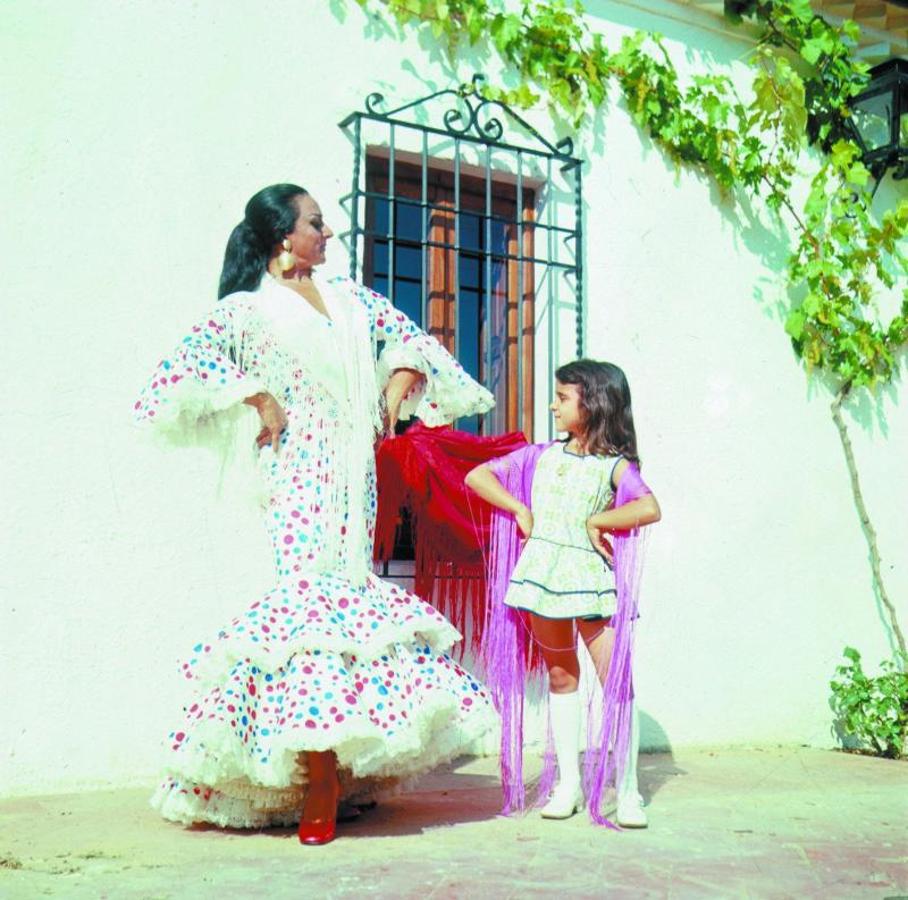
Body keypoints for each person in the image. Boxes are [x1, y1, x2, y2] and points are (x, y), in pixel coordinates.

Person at [134, 183, 497, 844]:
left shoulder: (352, 298)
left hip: (353, 476)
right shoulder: (248, 311)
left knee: (351, 604)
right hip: (297, 472)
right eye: (316, 224)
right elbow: (180, 370)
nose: (328, 234)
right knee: (309, 611)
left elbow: (411, 341)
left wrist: (397, 381)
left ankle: (339, 770)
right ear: (282, 239)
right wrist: (255, 394)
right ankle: (318, 778)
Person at [465, 359, 661, 828]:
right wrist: (519, 509)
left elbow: (650, 507)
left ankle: (628, 791)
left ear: (592, 404)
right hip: (543, 578)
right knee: (560, 677)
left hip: (591, 580)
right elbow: (478, 477)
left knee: (617, 680)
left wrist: (598, 521)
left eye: (563, 397)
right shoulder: (539, 455)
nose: (552, 405)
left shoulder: (614, 466)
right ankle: (568, 784)